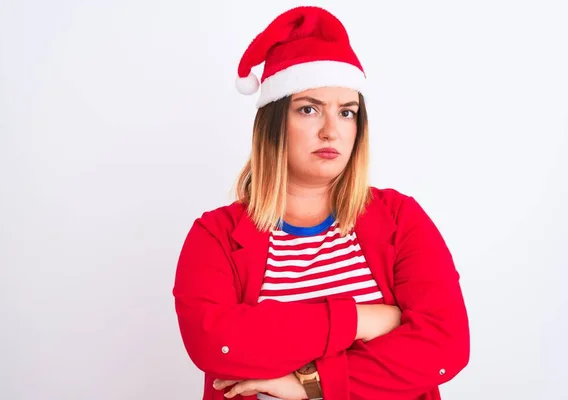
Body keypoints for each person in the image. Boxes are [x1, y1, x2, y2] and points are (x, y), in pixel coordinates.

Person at [173, 5, 470, 400]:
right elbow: (216, 345)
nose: (331, 131)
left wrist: (308, 384)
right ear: (274, 122)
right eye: (309, 109)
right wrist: (361, 319)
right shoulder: (215, 236)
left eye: (347, 112)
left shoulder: (399, 218)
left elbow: (445, 347)